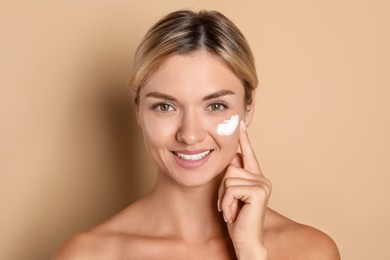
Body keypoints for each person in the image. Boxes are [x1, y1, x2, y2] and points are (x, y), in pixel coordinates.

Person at [53, 10, 340, 259]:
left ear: (247, 109)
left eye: (216, 106)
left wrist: (252, 252)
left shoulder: (309, 251)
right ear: (139, 110)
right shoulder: (87, 254)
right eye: (165, 106)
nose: (190, 135)